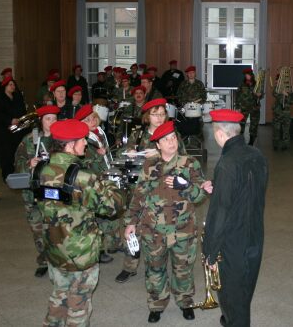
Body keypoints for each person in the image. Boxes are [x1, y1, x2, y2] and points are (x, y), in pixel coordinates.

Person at [38, 119, 125, 327]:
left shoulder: (41, 170)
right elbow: (112, 207)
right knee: (79, 303)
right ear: (70, 145)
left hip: (54, 247)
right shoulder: (83, 177)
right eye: (82, 140)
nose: (86, 143)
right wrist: (113, 186)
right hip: (81, 251)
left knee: (59, 294)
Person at [124, 121, 212, 323]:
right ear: (158, 145)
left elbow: (200, 196)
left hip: (183, 229)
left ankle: (185, 302)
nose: (171, 142)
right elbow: (139, 195)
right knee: (155, 269)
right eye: (166, 140)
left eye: (173, 138)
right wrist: (131, 222)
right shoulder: (149, 165)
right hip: (153, 230)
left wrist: (186, 186)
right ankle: (157, 304)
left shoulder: (190, 163)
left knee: (183, 269)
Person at [203, 109, 269, 327]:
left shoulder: (226, 164)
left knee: (232, 293)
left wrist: (210, 252)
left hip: (233, 242)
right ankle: (230, 319)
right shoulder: (256, 154)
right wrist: (220, 186)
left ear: (220, 134)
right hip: (255, 235)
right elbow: (253, 191)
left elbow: (220, 213)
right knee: (245, 287)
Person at [115, 98, 187, 285]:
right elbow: (123, 154)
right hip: (141, 188)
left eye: (162, 114)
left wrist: (160, 154)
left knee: (164, 228)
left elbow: (183, 159)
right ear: (147, 116)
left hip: (165, 190)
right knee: (132, 226)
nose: (159, 118)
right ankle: (129, 266)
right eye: (155, 114)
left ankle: (164, 263)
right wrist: (130, 153)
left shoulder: (172, 134)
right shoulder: (138, 135)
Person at [13, 105, 60, 278]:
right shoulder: (29, 140)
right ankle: (44, 261)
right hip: (33, 194)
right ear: (41, 121)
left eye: (54, 119)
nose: (52, 122)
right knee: (38, 229)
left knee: (56, 229)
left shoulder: (61, 139)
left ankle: (59, 261)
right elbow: (17, 164)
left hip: (54, 192)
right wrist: (29, 164)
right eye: (48, 119)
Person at [74, 104, 117, 264]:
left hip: (106, 176)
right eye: (87, 120)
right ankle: (98, 250)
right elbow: (82, 163)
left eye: (93, 118)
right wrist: (99, 156)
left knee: (110, 213)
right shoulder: (83, 139)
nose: (92, 121)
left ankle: (113, 243)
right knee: (96, 217)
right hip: (93, 181)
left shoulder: (100, 132)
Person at [0, 76, 27, 182]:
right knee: (6, 154)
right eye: (10, 85)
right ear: (5, 86)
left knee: (17, 152)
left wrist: (19, 120)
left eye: (13, 84)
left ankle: (18, 173)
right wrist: (10, 120)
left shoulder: (17, 96)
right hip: (4, 130)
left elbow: (22, 110)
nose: (13, 86)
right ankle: (7, 176)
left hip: (17, 129)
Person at [235, 68, 263, 146]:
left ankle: (251, 142)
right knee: (241, 124)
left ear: (251, 75)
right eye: (245, 75)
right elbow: (237, 96)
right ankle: (240, 141)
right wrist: (237, 107)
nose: (247, 76)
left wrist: (259, 95)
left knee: (254, 125)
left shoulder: (257, 84)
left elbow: (261, 95)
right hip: (244, 107)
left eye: (248, 75)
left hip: (255, 107)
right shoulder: (242, 84)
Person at [272, 75, 293, 151]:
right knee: (276, 129)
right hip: (277, 113)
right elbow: (274, 94)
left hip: (286, 113)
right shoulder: (276, 88)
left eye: (278, 80)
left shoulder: (290, 89)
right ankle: (275, 145)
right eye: (277, 80)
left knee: (286, 130)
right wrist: (281, 92)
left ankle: (285, 145)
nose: (277, 82)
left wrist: (287, 95)